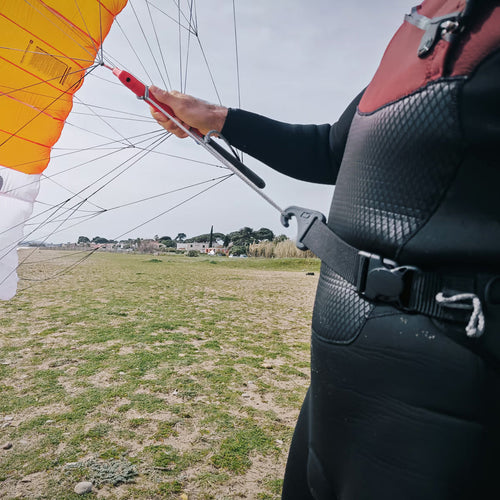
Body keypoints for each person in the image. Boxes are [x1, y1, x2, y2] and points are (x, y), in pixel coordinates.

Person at [150, 1, 500, 498]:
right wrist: (214, 118)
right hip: (338, 370)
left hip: (454, 388)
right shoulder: (417, 26)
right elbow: (330, 150)